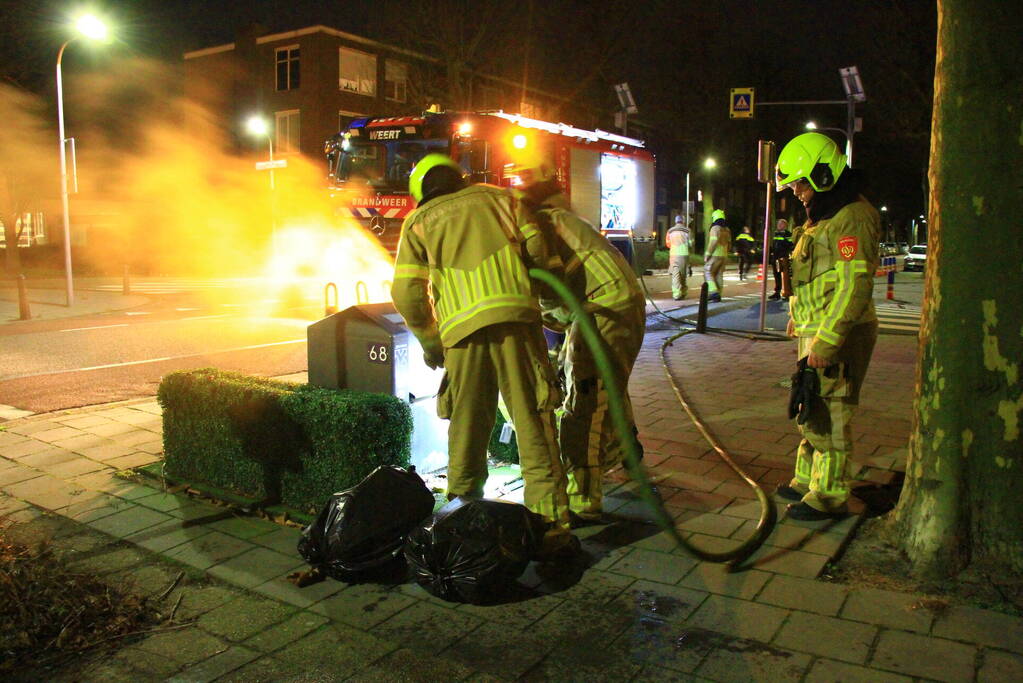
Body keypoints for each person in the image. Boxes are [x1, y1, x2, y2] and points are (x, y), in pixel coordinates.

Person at [390, 154, 576, 556]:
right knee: (533, 425)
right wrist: (550, 304)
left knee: (468, 429)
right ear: (460, 177)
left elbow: (406, 293)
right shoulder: (502, 199)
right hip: (518, 326)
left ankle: (461, 522)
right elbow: (542, 256)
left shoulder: (418, 222)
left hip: (461, 336)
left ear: (421, 191)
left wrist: (430, 339)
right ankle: (551, 529)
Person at [509, 155, 647, 525]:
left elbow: (549, 289)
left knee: (584, 402)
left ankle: (582, 498)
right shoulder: (560, 217)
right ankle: (628, 453)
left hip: (603, 310)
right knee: (605, 391)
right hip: (610, 306)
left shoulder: (539, 224)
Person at [774, 132, 881, 521]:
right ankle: (806, 482)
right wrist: (798, 318)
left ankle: (830, 496)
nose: (797, 192)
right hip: (815, 331)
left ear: (822, 174)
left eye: (800, 183)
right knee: (811, 405)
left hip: (837, 336)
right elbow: (820, 279)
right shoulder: (827, 215)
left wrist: (827, 340)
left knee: (830, 413)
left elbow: (854, 285)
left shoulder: (852, 216)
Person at [704, 209, 732, 302]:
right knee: (719, 274)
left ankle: (713, 292)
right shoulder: (727, 229)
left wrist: (707, 254)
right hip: (724, 255)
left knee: (708, 271)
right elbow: (729, 243)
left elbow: (713, 241)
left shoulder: (715, 228)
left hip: (715, 254)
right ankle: (718, 295)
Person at [666, 215, 693, 300]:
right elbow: (691, 243)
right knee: (683, 275)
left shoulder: (670, 231)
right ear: (683, 221)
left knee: (676, 275)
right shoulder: (688, 231)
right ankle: (684, 292)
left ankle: (677, 294)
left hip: (674, 254)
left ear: (675, 221)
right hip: (684, 254)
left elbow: (668, 244)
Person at [769, 218, 795, 300]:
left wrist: (783, 243)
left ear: (785, 225)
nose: (778, 225)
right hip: (776, 257)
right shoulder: (776, 234)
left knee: (786, 276)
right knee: (776, 275)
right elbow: (774, 245)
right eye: (778, 224)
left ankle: (788, 293)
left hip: (784, 257)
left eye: (780, 224)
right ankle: (777, 292)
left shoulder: (788, 234)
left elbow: (791, 245)